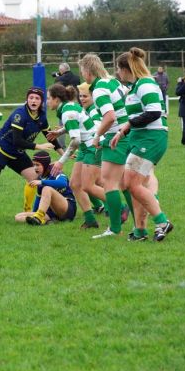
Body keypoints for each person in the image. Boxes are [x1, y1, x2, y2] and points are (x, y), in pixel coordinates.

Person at [0, 87, 63, 222]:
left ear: (41, 101)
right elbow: (17, 140)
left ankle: (28, 213)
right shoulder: (20, 114)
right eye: (31, 97)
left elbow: (50, 137)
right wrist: (39, 146)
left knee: (34, 178)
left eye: (37, 98)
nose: (33, 100)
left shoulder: (41, 117)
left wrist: (64, 154)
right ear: (27, 99)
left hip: (17, 153)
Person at [111, 47, 173, 242]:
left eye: (119, 69)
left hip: (151, 139)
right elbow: (137, 116)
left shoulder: (146, 84)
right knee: (130, 185)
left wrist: (128, 124)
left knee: (132, 184)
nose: (118, 73)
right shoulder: (136, 86)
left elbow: (154, 112)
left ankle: (162, 222)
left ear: (126, 68)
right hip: (141, 138)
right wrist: (122, 132)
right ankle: (140, 231)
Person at [79, 53, 132, 239]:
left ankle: (115, 229)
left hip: (116, 137)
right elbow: (127, 101)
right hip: (128, 133)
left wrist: (97, 137)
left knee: (109, 182)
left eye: (82, 71)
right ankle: (141, 226)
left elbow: (110, 117)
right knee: (128, 184)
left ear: (87, 71)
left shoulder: (100, 88)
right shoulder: (114, 81)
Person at [45, 83, 102, 229]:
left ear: (57, 99)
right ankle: (90, 220)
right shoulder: (68, 107)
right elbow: (78, 124)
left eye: (49, 98)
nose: (47, 102)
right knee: (75, 184)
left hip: (91, 147)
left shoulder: (66, 112)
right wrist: (60, 132)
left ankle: (120, 208)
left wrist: (61, 161)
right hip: (86, 146)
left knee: (88, 186)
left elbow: (75, 140)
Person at [14, 151, 76, 225]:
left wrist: (42, 182)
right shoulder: (40, 178)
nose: (35, 168)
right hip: (52, 214)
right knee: (18, 217)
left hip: (67, 210)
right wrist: (34, 213)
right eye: (33, 165)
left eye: (38, 165)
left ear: (45, 164)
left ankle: (39, 217)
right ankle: (44, 221)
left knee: (47, 189)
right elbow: (38, 198)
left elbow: (63, 183)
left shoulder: (55, 172)